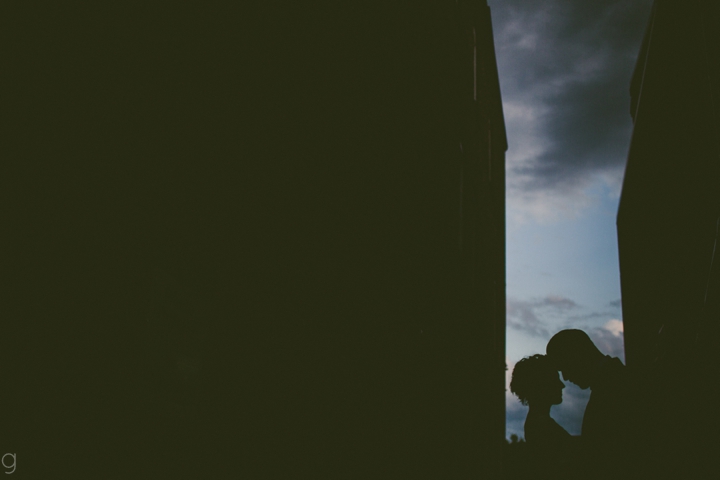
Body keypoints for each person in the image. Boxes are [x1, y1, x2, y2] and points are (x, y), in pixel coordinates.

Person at [546, 329, 637, 477]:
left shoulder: (616, 387)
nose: (566, 377)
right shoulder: (615, 381)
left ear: (575, 356)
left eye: (564, 367)